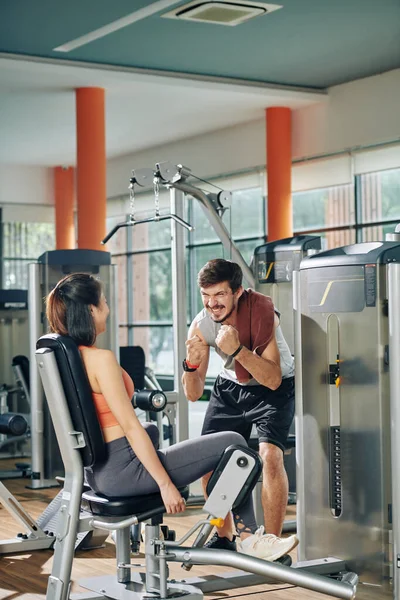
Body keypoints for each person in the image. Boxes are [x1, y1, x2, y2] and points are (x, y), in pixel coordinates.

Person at [45, 272, 291, 562]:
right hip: (124, 472)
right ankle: (249, 539)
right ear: (90, 310)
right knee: (234, 442)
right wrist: (165, 486)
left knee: (152, 430)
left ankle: (235, 536)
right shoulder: (101, 359)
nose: (108, 309)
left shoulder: (65, 356)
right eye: (104, 302)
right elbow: (129, 426)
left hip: (98, 474)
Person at [182, 259, 298, 560]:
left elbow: (271, 379)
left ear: (237, 292)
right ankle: (225, 537)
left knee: (270, 456)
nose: (212, 303)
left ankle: (270, 544)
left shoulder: (262, 314)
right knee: (208, 462)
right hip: (230, 387)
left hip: (274, 386)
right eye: (206, 296)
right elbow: (193, 394)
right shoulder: (202, 324)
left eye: (219, 294)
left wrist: (236, 350)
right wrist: (190, 365)